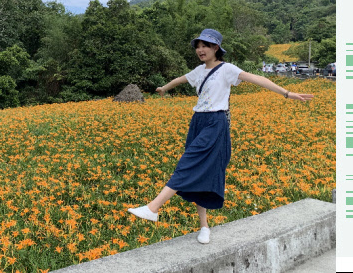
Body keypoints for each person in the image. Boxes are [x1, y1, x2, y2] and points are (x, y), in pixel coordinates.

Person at [127, 28, 314, 244]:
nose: (201, 50)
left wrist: (287, 93)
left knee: (188, 164)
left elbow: (257, 78)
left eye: (205, 45)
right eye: (198, 46)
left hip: (216, 122)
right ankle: (204, 226)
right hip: (197, 122)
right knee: (200, 172)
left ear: (216, 48)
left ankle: (153, 208)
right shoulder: (199, 71)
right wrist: (164, 88)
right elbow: (181, 79)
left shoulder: (227, 69)